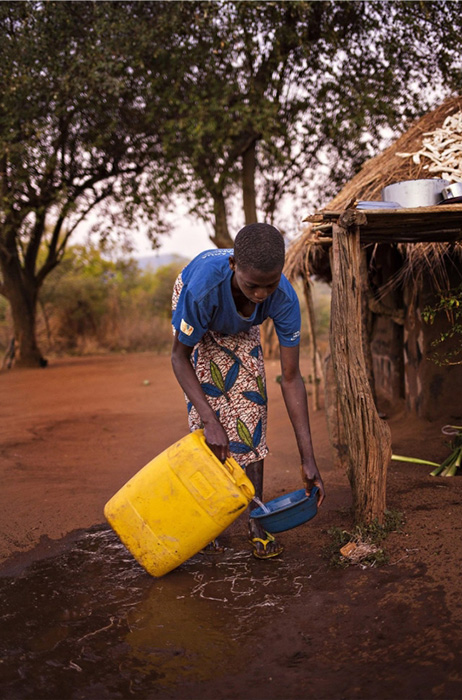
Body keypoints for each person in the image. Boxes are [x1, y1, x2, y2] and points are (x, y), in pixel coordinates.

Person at [171, 223, 325, 559]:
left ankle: (258, 521)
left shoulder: (281, 297)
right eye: (252, 285)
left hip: (240, 325)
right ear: (233, 267)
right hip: (202, 311)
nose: (260, 294)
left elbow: (291, 378)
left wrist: (308, 459)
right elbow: (179, 358)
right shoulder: (201, 291)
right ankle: (210, 521)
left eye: (269, 285)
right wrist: (211, 419)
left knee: (250, 415)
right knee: (208, 424)